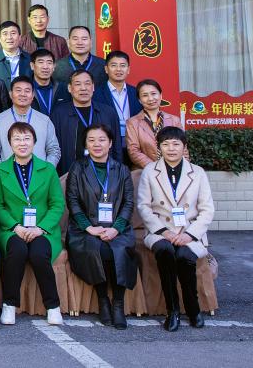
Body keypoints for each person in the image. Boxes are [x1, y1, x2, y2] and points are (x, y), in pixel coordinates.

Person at [136, 127, 213, 331]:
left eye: (176, 144)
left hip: (191, 232)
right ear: (159, 148)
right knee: (165, 251)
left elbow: (207, 210)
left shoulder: (197, 172)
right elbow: (143, 206)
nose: (171, 148)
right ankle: (173, 310)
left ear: (184, 147)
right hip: (160, 231)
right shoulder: (150, 171)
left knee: (185, 256)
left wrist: (189, 234)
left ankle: (193, 308)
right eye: (166, 144)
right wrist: (165, 232)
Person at [65, 123, 137, 330]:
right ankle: (103, 299)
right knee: (97, 249)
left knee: (119, 250)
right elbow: (73, 201)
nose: (97, 144)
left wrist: (116, 228)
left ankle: (118, 304)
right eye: (91, 140)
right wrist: (89, 227)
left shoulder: (122, 170)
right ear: (86, 144)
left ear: (111, 143)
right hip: (85, 228)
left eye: (102, 140)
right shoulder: (77, 168)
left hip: (117, 227)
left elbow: (128, 203)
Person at [0, 122, 65, 326]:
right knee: (17, 251)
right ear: (9, 143)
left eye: (26, 138)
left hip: (43, 229)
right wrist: (16, 226)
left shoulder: (48, 169)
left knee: (39, 254)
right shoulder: (0, 170)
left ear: (34, 142)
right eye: (17, 139)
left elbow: (57, 204)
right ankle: (9, 305)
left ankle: (53, 306)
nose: (22, 143)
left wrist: (40, 228)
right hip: (11, 229)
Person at [50, 70, 122, 176]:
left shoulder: (108, 112)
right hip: (70, 173)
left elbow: (117, 146)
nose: (83, 88)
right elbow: (53, 148)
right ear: (69, 88)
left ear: (93, 87)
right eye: (78, 84)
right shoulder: (59, 114)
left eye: (87, 83)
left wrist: (117, 173)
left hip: (104, 173)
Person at [0, 76, 62, 168]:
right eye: (18, 90)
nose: (23, 94)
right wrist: (2, 172)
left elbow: (54, 150)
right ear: (10, 94)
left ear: (33, 95)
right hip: (7, 174)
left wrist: (46, 171)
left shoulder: (44, 120)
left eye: (27, 91)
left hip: (39, 174)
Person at [127, 79, 187, 170]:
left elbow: (183, 148)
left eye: (153, 93)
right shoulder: (132, 123)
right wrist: (156, 168)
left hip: (174, 170)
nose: (150, 98)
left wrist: (181, 168)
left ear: (161, 95)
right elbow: (134, 151)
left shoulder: (174, 120)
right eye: (145, 95)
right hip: (145, 171)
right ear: (139, 100)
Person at [93, 51, 142, 150]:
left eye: (122, 65)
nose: (118, 69)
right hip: (108, 143)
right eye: (114, 65)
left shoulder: (137, 92)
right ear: (106, 69)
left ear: (128, 69)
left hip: (135, 143)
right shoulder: (96, 94)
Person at [29, 48, 69, 115]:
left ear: (54, 66)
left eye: (49, 62)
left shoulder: (62, 88)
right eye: (41, 62)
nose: (45, 67)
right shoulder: (25, 89)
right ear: (32, 66)